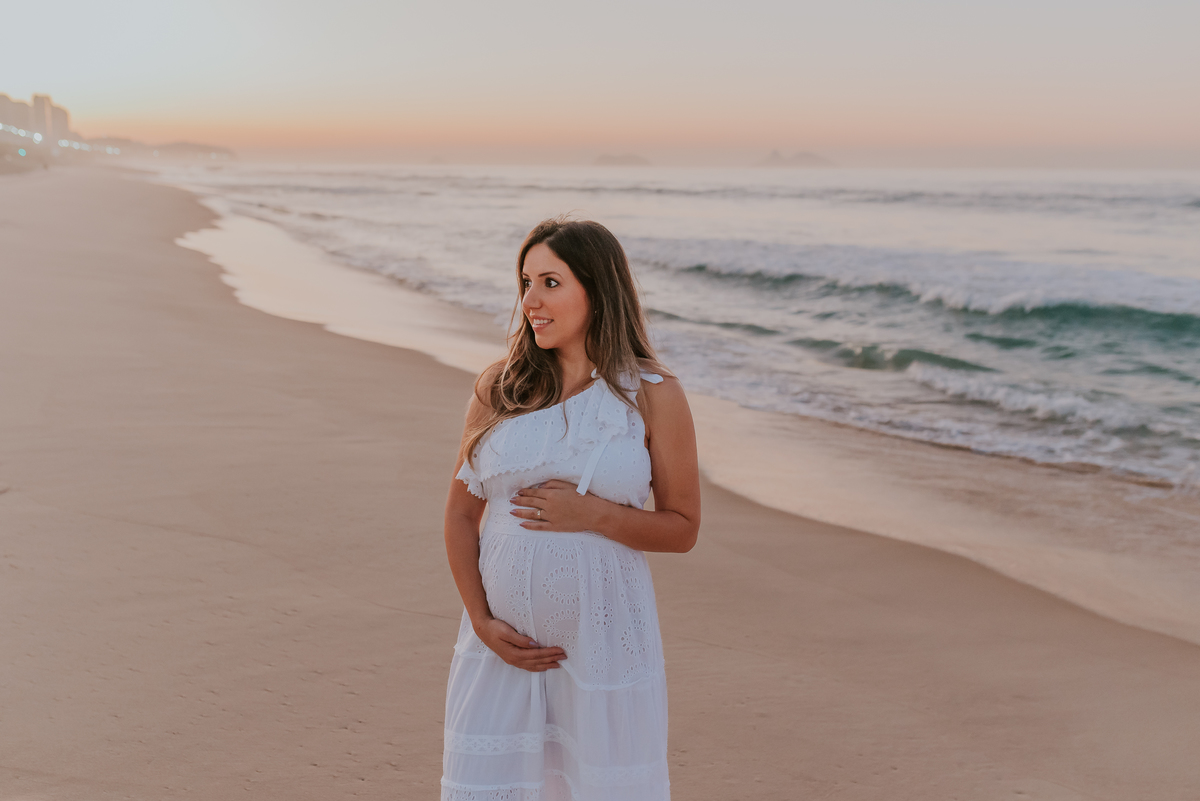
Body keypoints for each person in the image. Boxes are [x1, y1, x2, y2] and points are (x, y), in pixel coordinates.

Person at [441, 217, 701, 801]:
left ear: (598, 289)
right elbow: (461, 515)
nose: (530, 301)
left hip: (605, 651)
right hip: (501, 652)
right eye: (525, 282)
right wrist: (482, 622)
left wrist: (596, 515)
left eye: (550, 282)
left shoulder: (652, 394)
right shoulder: (499, 388)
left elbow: (683, 528)